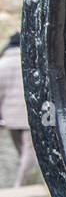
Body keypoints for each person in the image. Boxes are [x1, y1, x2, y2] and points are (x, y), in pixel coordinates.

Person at [0, 33, 35, 187]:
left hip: (10, 116)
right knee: (29, 149)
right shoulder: (30, 61)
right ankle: (23, 181)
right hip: (28, 115)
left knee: (21, 148)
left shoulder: (3, 63)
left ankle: (23, 178)